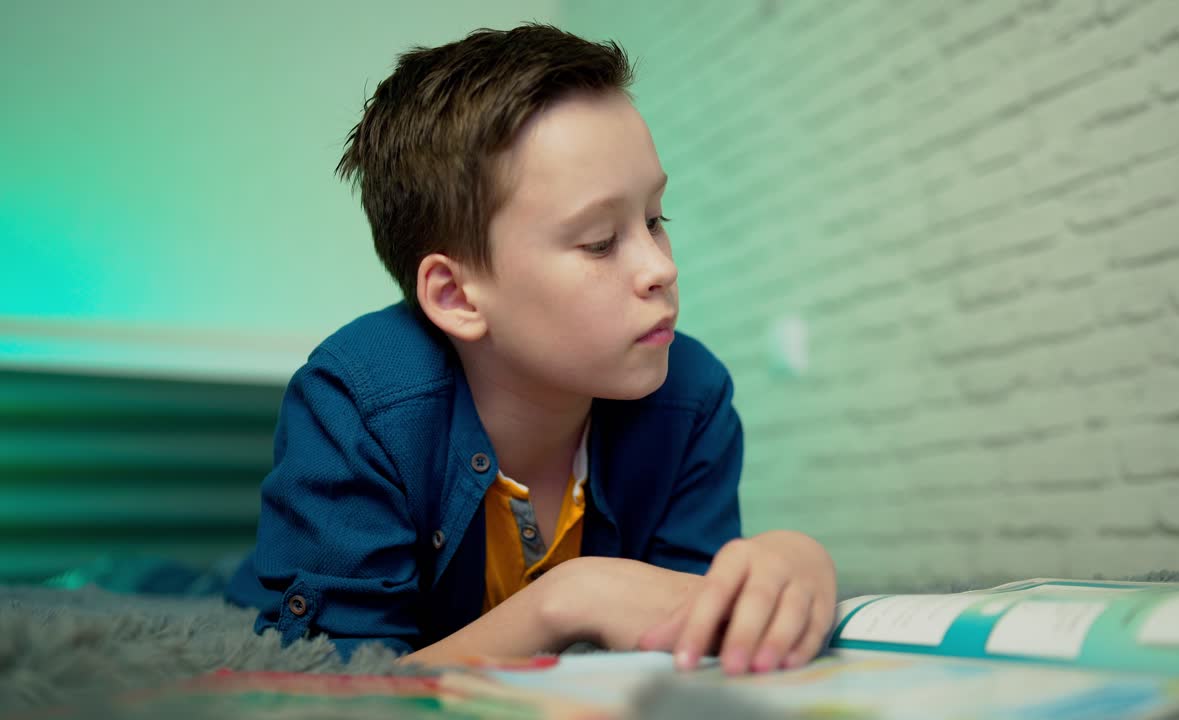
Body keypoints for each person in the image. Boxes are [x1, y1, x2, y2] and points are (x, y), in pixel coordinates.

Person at [225, 23, 835, 676]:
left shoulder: (691, 398)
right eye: (600, 241)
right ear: (457, 296)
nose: (661, 267)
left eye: (656, 219)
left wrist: (794, 562)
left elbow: (687, 639)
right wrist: (564, 601)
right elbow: (334, 685)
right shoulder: (356, 406)